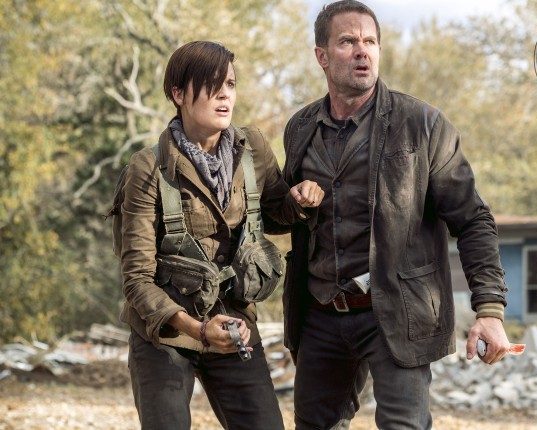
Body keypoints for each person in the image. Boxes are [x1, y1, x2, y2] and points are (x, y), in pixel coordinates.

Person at [280, 1, 511, 429]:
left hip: (399, 311)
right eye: (347, 42)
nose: (362, 51)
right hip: (322, 312)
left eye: (370, 41)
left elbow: (473, 220)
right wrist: (294, 202)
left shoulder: (422, 124)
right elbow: (281, 216)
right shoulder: (300, 128)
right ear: (322, 56)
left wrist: (490, 309)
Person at [118, 41, 323, 430]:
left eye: (230, 84)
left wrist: (299, 201)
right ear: (178, 94)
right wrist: (197, 329)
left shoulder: (252, 148)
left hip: (234, 323)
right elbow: (136, 280)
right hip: (166, 334)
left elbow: (276, 215)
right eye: (212, 86)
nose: (225, 94)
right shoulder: (148, 168)